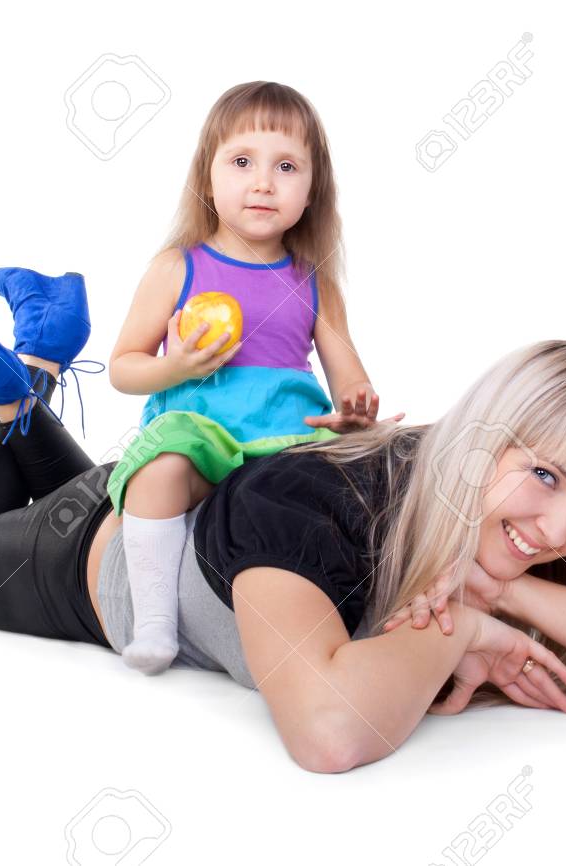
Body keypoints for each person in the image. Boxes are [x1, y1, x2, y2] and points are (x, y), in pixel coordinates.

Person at [0, 284, 566, 773]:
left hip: (167, 497)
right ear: (481, 440)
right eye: (547, 477)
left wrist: (512, 588)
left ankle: (28, 380)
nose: (562, 527)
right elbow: (328, 732)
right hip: (88, 547)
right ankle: (25, 369)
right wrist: (463, 633)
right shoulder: (315, 507)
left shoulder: (518, 530)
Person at [104, 81, 403, 675]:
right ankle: (156, 622)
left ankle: (381, 607)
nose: (263, 182)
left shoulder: (315, 281)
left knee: (378, 476)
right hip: (202, 433)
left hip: (287, 440)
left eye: (286, 166)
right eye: (242, 162)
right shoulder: (178, 267)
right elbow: (123, 368)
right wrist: (176, 367)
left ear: (313, 189)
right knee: (158, 472)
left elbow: (351, 380)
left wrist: (356, 413)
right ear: (207, 175)